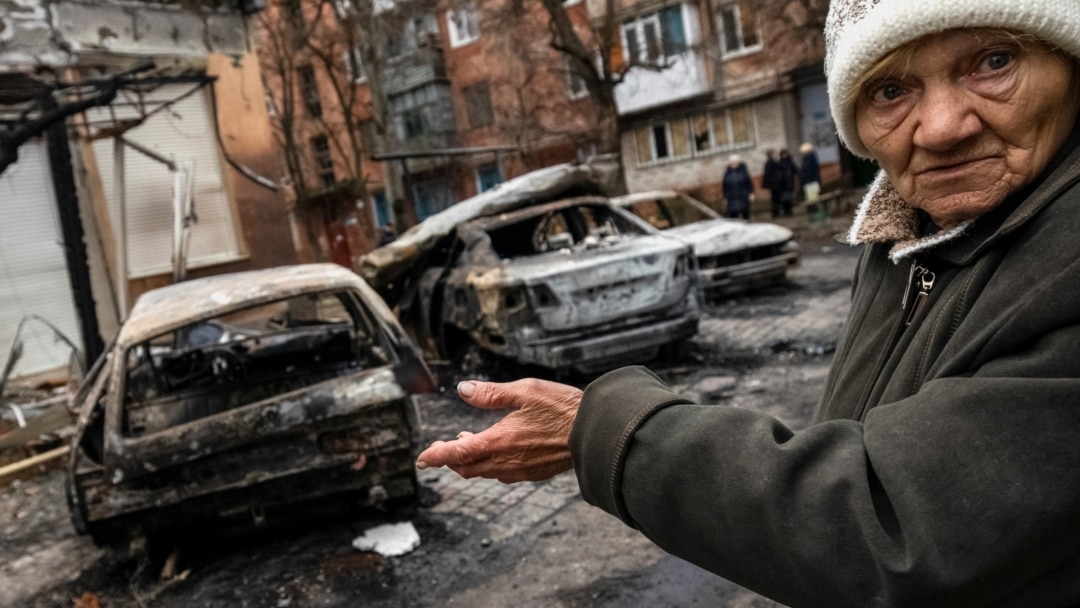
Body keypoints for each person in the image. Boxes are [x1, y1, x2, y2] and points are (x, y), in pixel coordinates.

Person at [416, 0, 1080, 605]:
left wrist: (605, 431)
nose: (940, 127)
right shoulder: (909, 231)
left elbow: (889, 522)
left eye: (994, 62)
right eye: (890, 89)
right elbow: (861, 446)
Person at [721, 154, 754, 219]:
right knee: (733, 217)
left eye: (735, 162)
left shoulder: (743, 172)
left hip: (743, 196)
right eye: (732, 162)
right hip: (732, 198)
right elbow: (725, 186)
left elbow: (749, 183)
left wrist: (751, 193)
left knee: (745, 215)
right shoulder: (727, 174)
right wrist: (725, 197)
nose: (734, 164)